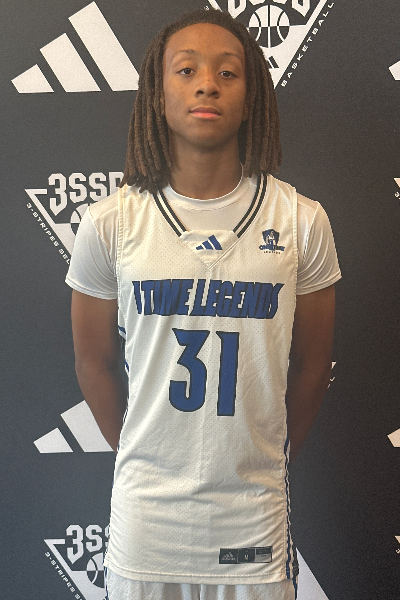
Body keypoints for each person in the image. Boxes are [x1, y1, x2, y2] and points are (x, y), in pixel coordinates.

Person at [66, 8, 341, 600]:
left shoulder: (301, 221)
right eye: (186, 70)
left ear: (251, 96)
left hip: (253, 520)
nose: (207, 85)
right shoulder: (112, 223)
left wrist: (269, 457)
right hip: (146, 523)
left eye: (228, 72)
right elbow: (93, 362)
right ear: (157, 92)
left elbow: (313, 364)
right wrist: (142, 453)